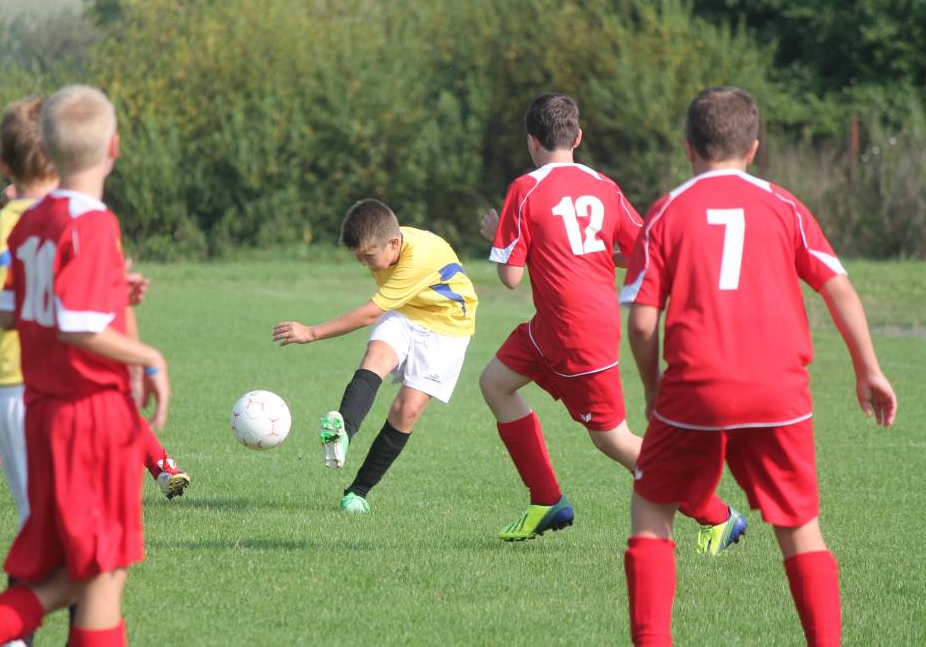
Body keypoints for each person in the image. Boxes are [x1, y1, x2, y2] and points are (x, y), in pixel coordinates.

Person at [619, 86, 897, 646]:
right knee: (800, 528)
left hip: (695, 390)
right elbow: (837, 288)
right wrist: (868, 368)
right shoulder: (784, 205)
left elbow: (644, 323)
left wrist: (652, 388)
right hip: (779, 392)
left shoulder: (668, 210)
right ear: (753, 147)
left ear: (689, 146)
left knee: (652, 513)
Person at [0, 84, 172, 647]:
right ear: (114, 148)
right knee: (100, 577)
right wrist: (149, 357)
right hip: (90, 416)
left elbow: (10, 309)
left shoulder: (28, 221)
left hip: (43, 411)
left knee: (75, 575)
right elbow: (74, 324)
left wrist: (107, 291)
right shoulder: (92, 221)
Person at [479, 93, 745, 548]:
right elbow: (642, 250)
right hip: (553, 329)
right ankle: (546, 500)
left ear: (531, 142)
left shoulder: (525, 189)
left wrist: (496, 237)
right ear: (578, 137)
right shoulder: (603, 185)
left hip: (576, 334)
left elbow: (510, 277)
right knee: (495, 383)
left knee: (614, 441)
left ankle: (716, 515)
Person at [0, 99, 190, 509]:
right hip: (45, 378)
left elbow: (2, 315)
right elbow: (70, 321)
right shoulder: (75, 221)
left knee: (52, 523)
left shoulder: (46, 223)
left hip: (42, 384)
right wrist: (147, 358)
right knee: (78, 528)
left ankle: (162, 467)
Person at [273, 199, 477, 513]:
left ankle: (357, 493)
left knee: (406, 410)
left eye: (368, 256)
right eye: (358, 257)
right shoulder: (384, 241)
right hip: (407, 311)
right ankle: (342, 433)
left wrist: (311, 332)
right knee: (376, 357)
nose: (364, 263)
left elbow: (370, 314)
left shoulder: (419, 258)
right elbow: (381, 302)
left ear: (394, 244)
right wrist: (370, 257)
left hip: (447, 327)